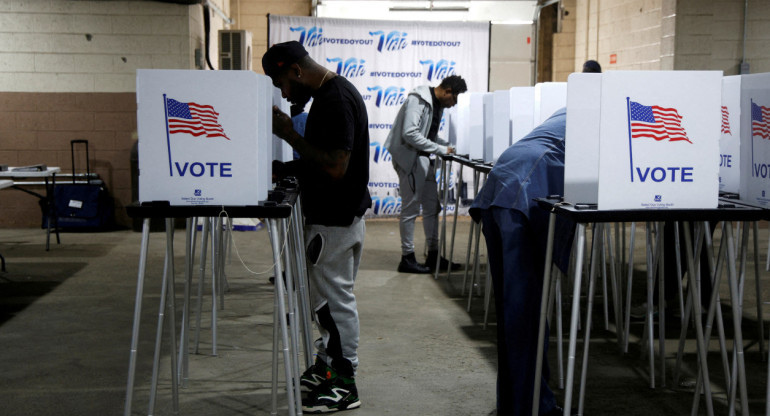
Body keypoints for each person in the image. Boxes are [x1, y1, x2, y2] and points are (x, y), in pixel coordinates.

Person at [263, 41, 371, 414]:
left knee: (334, 304)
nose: (285, 93)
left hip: (336, 219)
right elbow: (323, 159)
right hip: (337, 215)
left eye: (283, 84)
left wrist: (289, 135)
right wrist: (286, 169)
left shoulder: (335, 100)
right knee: (325, 302)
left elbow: (335, 166)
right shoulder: (329, 95)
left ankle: (345, 381)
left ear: (295, 71)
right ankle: (328, 367)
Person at [470, 108, 575, 416]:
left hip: (500, 186)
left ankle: (521, 403)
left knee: (515, 312)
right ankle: (532, 408)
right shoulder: (609, 118)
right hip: (523, 195)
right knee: (525, 312)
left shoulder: (570, 109)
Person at [385, 75, 468, 274]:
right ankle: (407, 258)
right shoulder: (419, 100)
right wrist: (442, 150)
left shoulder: (435, 104)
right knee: (410, 209)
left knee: (432, 207)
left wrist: (447, 146)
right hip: (410, 159)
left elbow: (428, 135)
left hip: (422, 159)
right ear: (448, 91)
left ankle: (433, 255)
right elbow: (410, 133)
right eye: (454, 100)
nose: (452, 105)